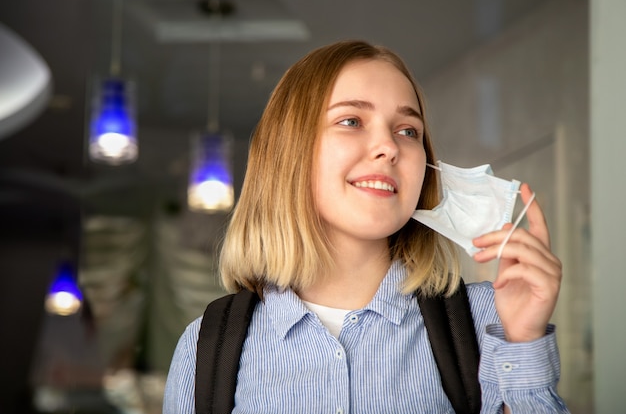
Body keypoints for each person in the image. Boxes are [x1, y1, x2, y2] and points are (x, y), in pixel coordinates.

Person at [163, 40, 569, 413]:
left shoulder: (489, 320)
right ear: (289, 151)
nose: (390, 147)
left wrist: (524, 343)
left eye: (408, 131)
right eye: (351, 121)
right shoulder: (205, 348)